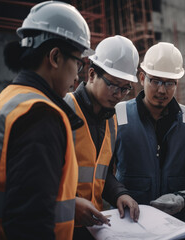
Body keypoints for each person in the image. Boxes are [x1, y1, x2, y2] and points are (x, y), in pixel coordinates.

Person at [0, 1, 94, 239]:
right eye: (78, 63)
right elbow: (30, 223)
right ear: (55, 57)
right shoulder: (40, 117)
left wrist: (70, 205)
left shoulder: (11, 98)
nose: (78, 75)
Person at [114, 42, 185, 223]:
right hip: (130, 223)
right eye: (155, 81)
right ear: (141, 77)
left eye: (169, 83)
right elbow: (103, 172)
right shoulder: (119, 115)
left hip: (175, 224)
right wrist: (119, 194)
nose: (162, 90)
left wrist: (183, 198)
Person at [64, 36, 140, 239]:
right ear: (91, 74)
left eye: (125, 88)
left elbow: (101, 173)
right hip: (61, 224)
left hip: (93, 226)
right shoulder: (63, 110)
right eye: (114, 85)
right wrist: (70, 205)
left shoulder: (111, 120)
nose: (119, 94)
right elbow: (42, 177)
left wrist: (119, 193)